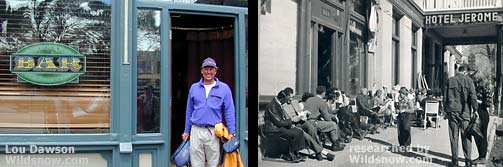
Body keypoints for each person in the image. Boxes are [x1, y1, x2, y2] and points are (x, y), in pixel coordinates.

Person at [182, 57, 237, 167]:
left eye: (211, 69)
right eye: (206, 69)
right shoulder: (194, 88)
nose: (208, 72)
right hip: (196, 130)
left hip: (213, 132)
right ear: (202, 71)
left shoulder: (224, 88)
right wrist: (186, 131)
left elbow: (229, 111)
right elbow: (189, 110)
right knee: (196, 163)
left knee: (214, 163)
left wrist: (231, 132)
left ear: (215, 71)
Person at [282, 88, 335, 161]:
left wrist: (305, 113)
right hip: (294, 125)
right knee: (305, 135)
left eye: (292, 97)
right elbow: (289, 119)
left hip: (302, 122)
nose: (291, 99)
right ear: (286, 96)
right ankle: (321, 152)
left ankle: (318, 152)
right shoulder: (283, 106)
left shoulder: (294, 102)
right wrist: (298, 117)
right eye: (290, 97)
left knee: (311, 128)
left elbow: (300, 112)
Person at [444, 64, 479, 167]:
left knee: (453, 137)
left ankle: (454, 162)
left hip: (452, 111)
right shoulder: (469, 81)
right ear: (465, 72)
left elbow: (445, 97)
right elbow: (473, 96)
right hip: (465, 112)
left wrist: (446, 110)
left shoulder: (450, 80)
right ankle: (468, 162)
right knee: (466, 136)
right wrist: (475, 109)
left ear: (458, 70)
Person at [263, 90, 307, 163]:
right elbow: (279, 122)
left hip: (277, 128)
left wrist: (291, 122)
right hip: (273, 130)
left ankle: (295, 152)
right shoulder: (273, 105)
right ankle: (290, 153)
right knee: (294, 133)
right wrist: (292, 120)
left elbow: (280, 121)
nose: (287, 102)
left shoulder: (277, 104)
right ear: (282, 98)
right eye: (287, 99)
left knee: (299, 131)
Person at [304, 86, 345, 151]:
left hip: (306, 122)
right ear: (323, 93)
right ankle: (335, 144)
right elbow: (327, 117)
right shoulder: (321, 102)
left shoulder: (309, 99)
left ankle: (336, 142)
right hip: (314, 123)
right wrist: (334, 118)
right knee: (332, 124)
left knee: (328, 125)